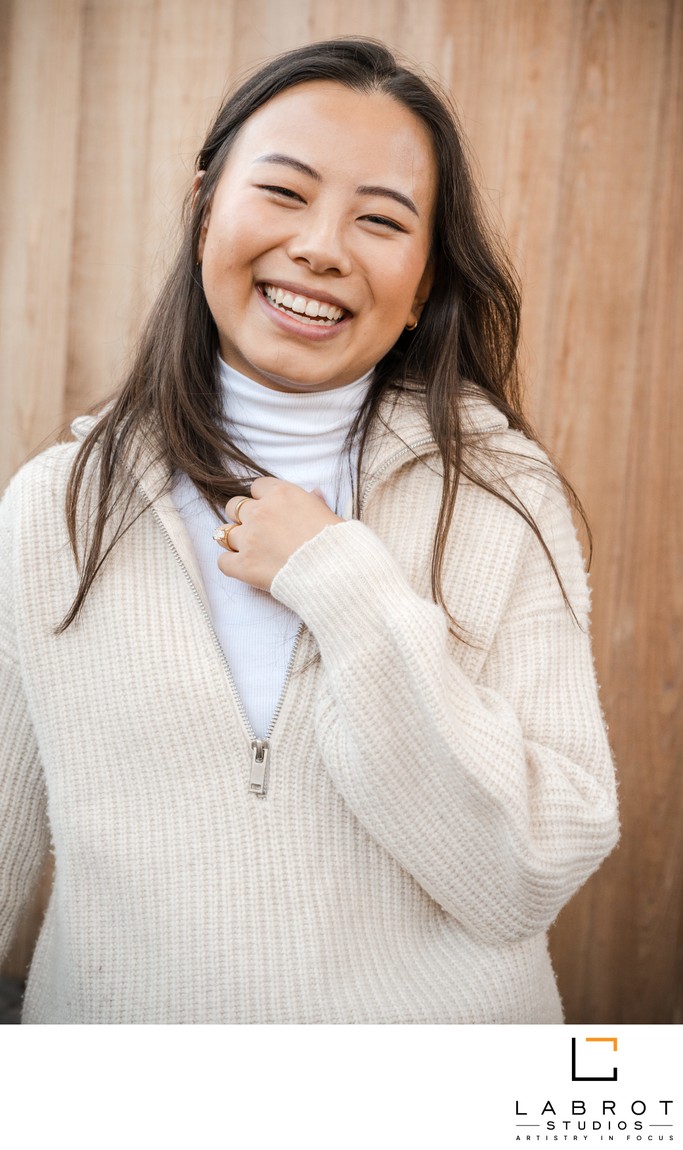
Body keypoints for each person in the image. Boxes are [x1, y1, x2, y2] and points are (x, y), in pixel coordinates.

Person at [0, 38, 618, 1024]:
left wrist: (344, 585)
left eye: (378, 220)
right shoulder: (52, 508)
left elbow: (524, 872)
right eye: (284, 193)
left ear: (422, 284)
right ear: (206, 207)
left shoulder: (502, 500)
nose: (322, 246)